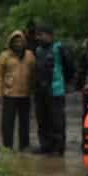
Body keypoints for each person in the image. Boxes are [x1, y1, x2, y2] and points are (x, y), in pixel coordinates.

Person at [32, 25, 76, 156]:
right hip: (40, 90)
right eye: (37, 35)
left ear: (50, 35)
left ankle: (58, 148)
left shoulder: (59, 48)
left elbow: (70, 68)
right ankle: (45, 146)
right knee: (42, 119)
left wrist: (67, 84)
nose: (38, 37)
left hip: (56, 90)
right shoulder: (38, 50)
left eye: (41, 35)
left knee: (57, 121)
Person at [0, 30, 36, 151]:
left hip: (25, 94)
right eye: (15, 41)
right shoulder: (5, 56)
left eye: (20, 41)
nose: (18, 43)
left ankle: (24, 146)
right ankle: (8, 147)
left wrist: (35, 88)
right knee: (7, 123)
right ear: (11, 43)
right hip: (9, 93)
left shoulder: (30, 55)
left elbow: (34, 72)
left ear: (24, 42)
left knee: (25, 122)